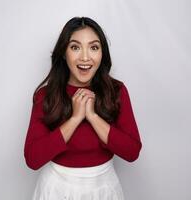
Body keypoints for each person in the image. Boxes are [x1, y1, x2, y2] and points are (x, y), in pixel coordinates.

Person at [24, 16, 142, 200]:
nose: (85, 57)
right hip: (56, 189)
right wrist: (75, 119)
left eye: (94, 47)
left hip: (104, 188)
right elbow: (33, 158)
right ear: (64, 52)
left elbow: (132, 151)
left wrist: (93, 117)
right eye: (75, 47)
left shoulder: (117, 91)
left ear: (102, 53)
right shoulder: (45, 95)